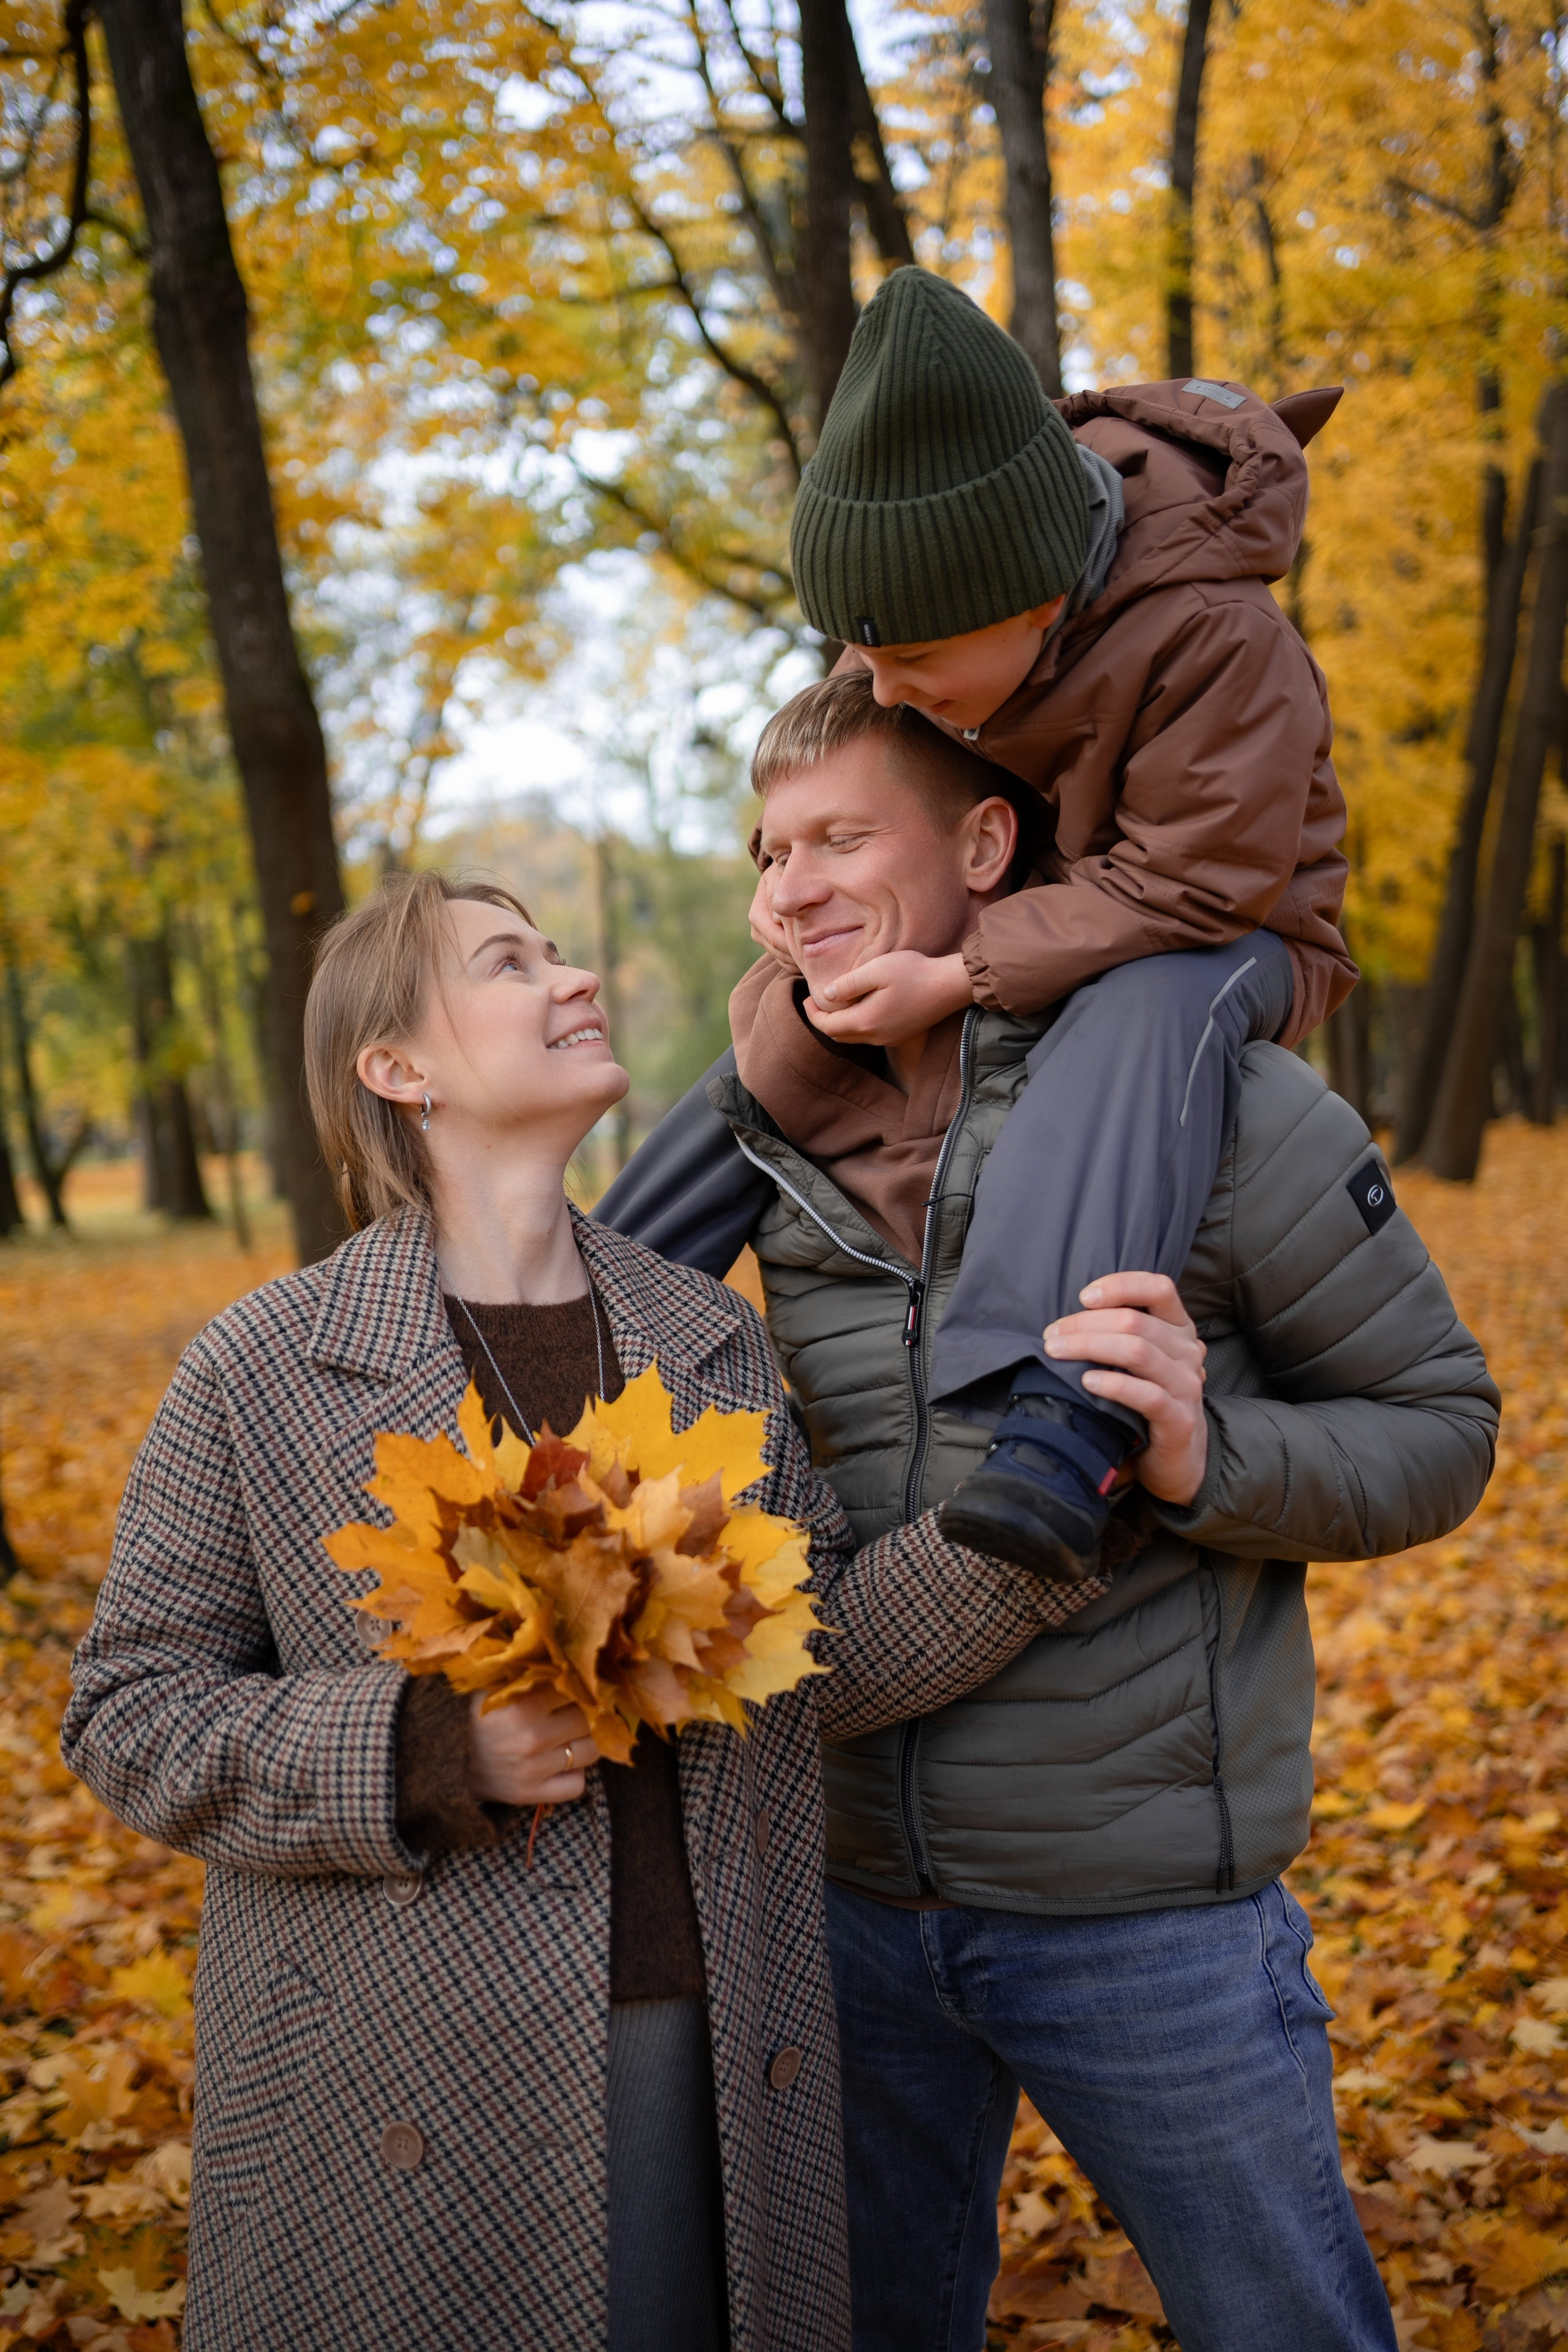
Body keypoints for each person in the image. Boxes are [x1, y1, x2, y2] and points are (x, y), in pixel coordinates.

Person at [61, 870, 1129, 2352]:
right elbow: (128, 1710)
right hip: (402, 2083)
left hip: (702, 2052)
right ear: (398, 1069)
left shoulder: (703, 1336)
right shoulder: (266, 1365)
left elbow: (806, 1656)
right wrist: (426, 1751)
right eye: (512, 962)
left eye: (561, 952)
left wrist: (1040, 1510)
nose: (571, 980)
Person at [597, 691, 1500, 2352]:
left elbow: (1442, 1429)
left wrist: (1202, 1455)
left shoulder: (1218, 1106)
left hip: (1152, 1922)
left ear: (988, 845)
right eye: (767, 853)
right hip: (849, 1905)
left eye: (840, 840)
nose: (787, 892)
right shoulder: (757, 1152)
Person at [617, 267, 1357, 1589]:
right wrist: (784, 880)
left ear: (1030, 605)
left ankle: (1068, 1410)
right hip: (1028, 903)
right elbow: (849, 745)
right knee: (790, 1018)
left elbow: (1195, 885)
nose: (882, 692)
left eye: (909, 670)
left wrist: (957, 971)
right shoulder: (919, 620)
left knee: (1145, 1006)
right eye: (864, 658)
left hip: (1230, 929)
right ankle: (584, 1304)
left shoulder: (1213, 639)